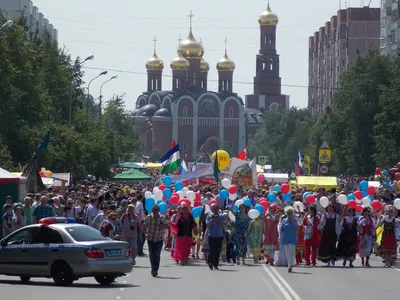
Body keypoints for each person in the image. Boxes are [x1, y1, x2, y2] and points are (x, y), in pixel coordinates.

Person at [143, 204, 170, 277]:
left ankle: (156, 269)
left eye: (156, 210)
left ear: (158, 211)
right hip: (150, 238)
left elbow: (167, 226)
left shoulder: (162, 218)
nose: (155, 212)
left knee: (157, 254)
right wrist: (146, 233)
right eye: (153, 210)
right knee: (152, 254)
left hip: (159, 238)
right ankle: (153, 268)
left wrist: (163, 226)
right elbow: (144, 226)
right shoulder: (148, 217)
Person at [317, 203, 340, 267]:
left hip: (333, 233)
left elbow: (337, 226)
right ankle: (328, 261)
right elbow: (321, 224)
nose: (330, 209)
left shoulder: (336, 216)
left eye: (331, 208)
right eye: (328, 208)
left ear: (333, 209)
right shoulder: (324, 215)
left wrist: (338, 234)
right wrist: (323, 220)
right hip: (325, 233)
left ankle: (332, 259)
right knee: (326, 247)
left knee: (332, 246)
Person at [206, 204, 226, 270]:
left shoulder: (221, 216)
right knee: (212, 250)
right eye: (214, 208)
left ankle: (216, 264)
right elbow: (207, 225)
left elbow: (225, 223)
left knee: (217, 250)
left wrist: (218, 219)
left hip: (219, 236)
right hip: (211, 235)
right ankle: (210, 262)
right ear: (212, 209)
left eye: (217, 208)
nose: (216, 210)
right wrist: (212, 219)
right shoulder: (209, 216)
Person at [279, 206, 298, 273]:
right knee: (287, 253)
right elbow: (281, 229)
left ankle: (290, 265)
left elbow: (297, 226)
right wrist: (280, 236)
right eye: (288, 213)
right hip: (285, 238)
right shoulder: (284, 221)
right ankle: (289, 265)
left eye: (291, 213)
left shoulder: (295, 220)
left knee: (292, 252)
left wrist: (293, 221)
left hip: (293, 238)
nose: (289, 214)